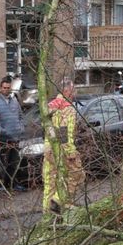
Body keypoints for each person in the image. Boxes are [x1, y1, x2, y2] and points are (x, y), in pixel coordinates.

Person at [42, 81, 83, 213]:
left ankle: (47, 216)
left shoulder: (49, 106)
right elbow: (67, 133)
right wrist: (71, 152)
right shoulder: (68, 109)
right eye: (74, 90)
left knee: (50, 183)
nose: (75, 93)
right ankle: (59, 201)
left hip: (48, 149)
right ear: (67, 91)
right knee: (77, 175)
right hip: (62, 149)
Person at [0, 76, 26, 191]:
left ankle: (13, 184)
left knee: (14, 163)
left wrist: (21, 128)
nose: (6, 89)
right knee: (3, 164)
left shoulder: (15, 101)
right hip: (4, 139)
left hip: (16, 138)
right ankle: (3, 186)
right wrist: (3, 132)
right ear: (1, 88)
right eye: (4, 87)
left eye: (8, 87)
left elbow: (21, 116)